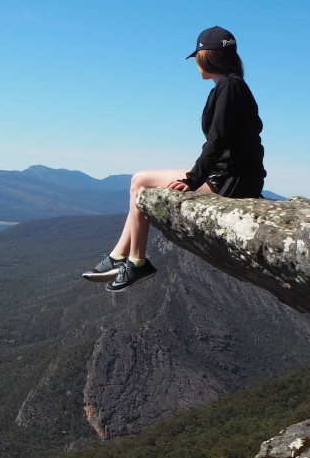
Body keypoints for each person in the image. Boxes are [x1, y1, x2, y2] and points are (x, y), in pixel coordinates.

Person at [83, 26, 266, 292]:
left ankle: (135, 261)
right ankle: (120, 256)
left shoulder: (230, 86)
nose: (196, 64)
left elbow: (218, 139)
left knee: (141, 182)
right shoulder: (227, 86)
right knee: (140, 180)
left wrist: (193, 180)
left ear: (208, 56)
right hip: (228, 173)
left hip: (233, 181)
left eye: (198, 57)